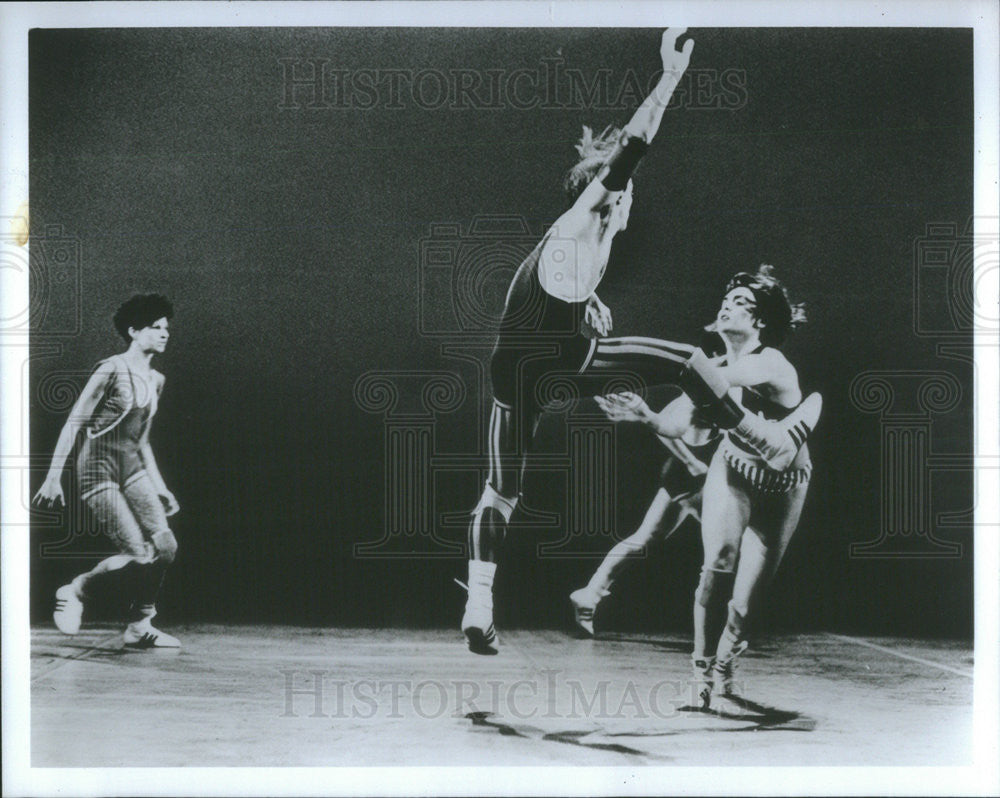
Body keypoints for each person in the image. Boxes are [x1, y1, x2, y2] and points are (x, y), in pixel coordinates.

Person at [461, 29, 699, 655]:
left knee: (501, 490)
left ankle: (479, 600)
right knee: (684, 361)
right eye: (623, 191)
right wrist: (670, 75)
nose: (629, 201)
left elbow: (552, 286)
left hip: (515, 372)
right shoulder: (586, 215)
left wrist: (587, 300)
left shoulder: (578, 245)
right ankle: (746, 442)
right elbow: (638, 143)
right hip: (556, 359)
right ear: (606, 193)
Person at [649, 265, 822, 708]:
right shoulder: (718, 368)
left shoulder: (769, 362)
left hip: (786, 483)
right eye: (727, 300)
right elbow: (673, 423)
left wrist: (686, 371)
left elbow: (721, 382)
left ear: (760, 321)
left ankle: (727, 662)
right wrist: (659, 413)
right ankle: (701, 672)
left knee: (746, 604)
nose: (729, 304)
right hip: (736, 472)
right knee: (717, 564)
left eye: (742, 303)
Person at [33, 294, 181, 648]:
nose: (164, 334)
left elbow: (142, 441)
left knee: (166, 547)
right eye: (155, 328)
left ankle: (139, 626)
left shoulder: (157, 379)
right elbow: (74, 423)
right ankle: (76, 590)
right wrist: (53, 476)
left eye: (166, 329)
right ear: (133, 331)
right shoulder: (111, 369)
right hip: (97, 467)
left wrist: (160, 487)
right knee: (137, 555)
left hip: (131, 466)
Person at [568, 391, 721, 637]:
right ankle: (722, 624)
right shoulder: (692, 394)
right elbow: (661, 426)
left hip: (696, 470)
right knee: (729, 544)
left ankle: (588, 595)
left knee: (645, 538)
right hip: (691, 472)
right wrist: (692, 462)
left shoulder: (735, 381)